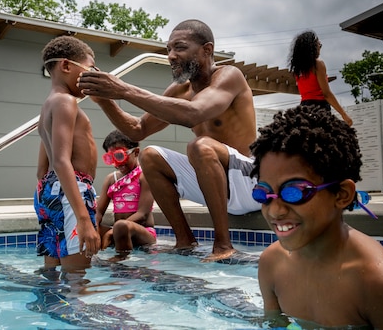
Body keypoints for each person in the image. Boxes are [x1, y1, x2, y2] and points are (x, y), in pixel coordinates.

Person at [77, 19, 261, 262]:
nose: (171, 56)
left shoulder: (229, 76)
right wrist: (106, 100)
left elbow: (194, 113)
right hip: (215, 185)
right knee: (150, 155)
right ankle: (184, 241)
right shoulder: (180, 89)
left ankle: (222, 245)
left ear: (207, 49)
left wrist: (123, 89)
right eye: (168, 50)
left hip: (248, 182)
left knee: (200, 145)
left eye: (180, 48)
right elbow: (137, 130)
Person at [249, 105, 383, 329]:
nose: (275, 211)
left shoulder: (378, 282)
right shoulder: (272, 264)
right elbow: (275, 325)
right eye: (264, 194)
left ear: (342, 195)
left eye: (294, 192)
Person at [34, 35, 101, 273]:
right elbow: (62, 160)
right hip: (71, 191)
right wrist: (83, 219)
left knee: (52, 276)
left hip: (51, 192)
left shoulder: (47, 107)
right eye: (91, 68)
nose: (94, 74)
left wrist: (48, 203)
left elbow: (42, 170)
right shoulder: (67, 102)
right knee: (77, 278)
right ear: (66, 66)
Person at [95, 130, 156, 260]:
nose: (117, 163)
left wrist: (112, 231)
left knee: (121, 225)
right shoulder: (111, 179)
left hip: (143, 233)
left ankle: (120, 259)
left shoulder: (145, 176)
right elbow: (99, 212)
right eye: (111, 158)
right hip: (119, 232)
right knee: (84, 229)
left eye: (119, 156)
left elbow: (143, 214)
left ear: (136, 152)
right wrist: (93, 226)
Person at [287, 29, 353, 126]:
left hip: (303, 109)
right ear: (312, 47)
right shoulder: (318, 64)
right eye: (319, 45)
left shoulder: (298, 69)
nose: (320, 48)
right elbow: (326, 94)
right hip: (319, 108)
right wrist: (344, 114)